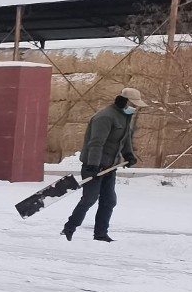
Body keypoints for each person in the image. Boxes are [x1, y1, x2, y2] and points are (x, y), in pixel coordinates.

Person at [62, 86, 145, 242]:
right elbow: (96, 143)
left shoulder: (125, 117)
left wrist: (128, 154)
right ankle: (69, 229)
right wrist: (93, 165)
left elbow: (125, 138)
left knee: (109, 201)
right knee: (89, 199)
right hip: (93, 166)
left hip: (109, 167)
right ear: (124, 101)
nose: (134, 108)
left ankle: (100, 234)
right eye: (133, 104)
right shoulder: (105, 117)